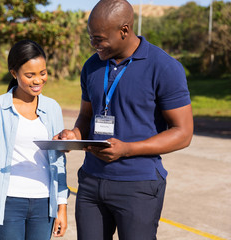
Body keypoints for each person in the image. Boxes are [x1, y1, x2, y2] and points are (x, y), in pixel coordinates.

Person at [54, 0, 194, 239]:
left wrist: (128, 149)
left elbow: (183, 133)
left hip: (138, 185)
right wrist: (75, 135)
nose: (94, 45)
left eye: (99, 39)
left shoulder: (164, 67)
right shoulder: (91, 66)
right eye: (91, 38)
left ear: (125, 30)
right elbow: (86, 115)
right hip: (91, 182)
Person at [0, 39, 69, 240]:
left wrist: (62, 207)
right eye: (30, 75)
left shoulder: (52, 108)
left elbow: (60, 161)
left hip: (44, 203)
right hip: (8, 202)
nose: (38, 80)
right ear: (14, 73)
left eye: (42, 73)